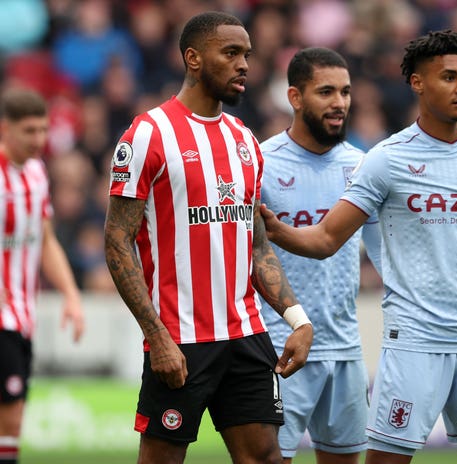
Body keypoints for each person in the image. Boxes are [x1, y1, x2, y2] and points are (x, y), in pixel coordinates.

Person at [260, 30, 457, 464]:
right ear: (418, 84)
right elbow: (328, 237)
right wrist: (277, 230)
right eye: (449, 77)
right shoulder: (385, 159)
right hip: (415, 344)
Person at [103, 11, 313, 464]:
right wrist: (156, 336)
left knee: (265, 457)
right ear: (193, 58)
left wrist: (297, 318)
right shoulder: (147, 134)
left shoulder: (245, 141)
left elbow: (256, 247)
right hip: (179, 339)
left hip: (246, 334)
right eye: (231, 53)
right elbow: (117, 241)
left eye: (248, 55)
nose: (244, 65)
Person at [260, 47, 381, 464]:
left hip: (345, 348)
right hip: (280, 346)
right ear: (295, 97)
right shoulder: (261, 163)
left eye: (345, 92)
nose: (339, 103)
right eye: (326, 91)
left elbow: (384, 253)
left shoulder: (362, 166)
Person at [0, 87, 85, 464]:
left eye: (43, 130)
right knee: (10, 414)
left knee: (12, 418)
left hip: (22, 315)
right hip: (2, 318)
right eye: (29, 131)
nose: (39, 140)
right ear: (5, 129)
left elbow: (45, 239)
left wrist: (70, 294)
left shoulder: (36, 173)